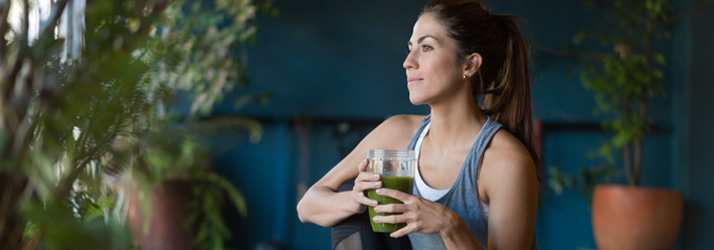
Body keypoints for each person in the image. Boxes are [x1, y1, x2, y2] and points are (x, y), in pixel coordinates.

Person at [297, 0, 540, 249]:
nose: (408, 62)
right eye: (411, 47)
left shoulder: (504, 162)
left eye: (426, 47)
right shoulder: (398, 134)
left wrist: (450, 226)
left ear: (469, 64)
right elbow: (307, 206)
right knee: (353, 210)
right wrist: (355, 201)